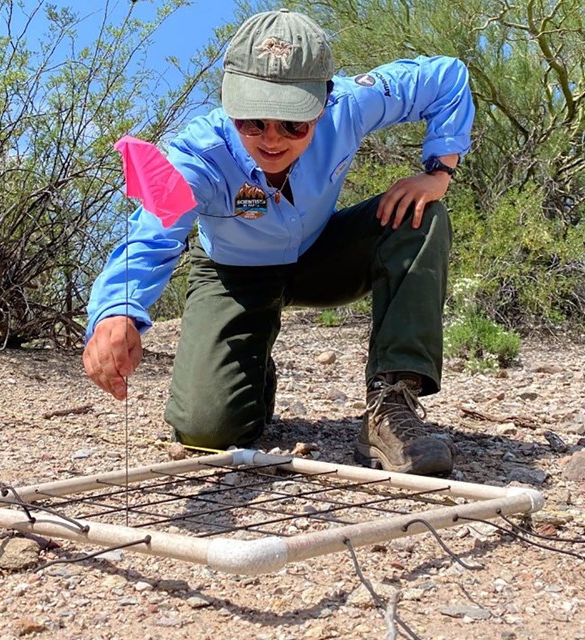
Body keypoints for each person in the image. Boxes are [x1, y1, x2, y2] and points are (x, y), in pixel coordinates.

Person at [83, 8, 474, 476]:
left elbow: (445, 75)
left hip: (321, 255)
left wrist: (439, 173)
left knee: (421, 215)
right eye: (253, 121)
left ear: (323, 104)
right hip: (233, 275)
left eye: (293, 123)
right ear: (230, 105)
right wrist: (118, 310)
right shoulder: (195, 155)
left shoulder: (351, 106)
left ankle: (392, 407)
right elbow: (151, 234)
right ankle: (249, 369)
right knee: (206, 432)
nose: (272, 140)